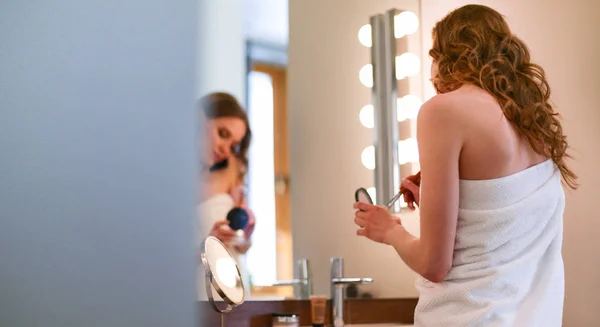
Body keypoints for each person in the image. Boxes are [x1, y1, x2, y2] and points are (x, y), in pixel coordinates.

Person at [353, 5, 577, 327]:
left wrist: (389, 230)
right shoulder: (535, 126)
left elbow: (434, 264)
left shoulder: (443, 111)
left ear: (446, 55)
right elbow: (495, 222)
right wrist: (431, 194)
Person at [197, 92, 256, 299]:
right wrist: (206, 246)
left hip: (229, 285)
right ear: (200, 118)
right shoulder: (166, 174)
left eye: (233, 145)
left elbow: (242, 245)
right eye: (223, 133)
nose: (226, 149)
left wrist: (245, 235)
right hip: (191, 287)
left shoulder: (232, 168)